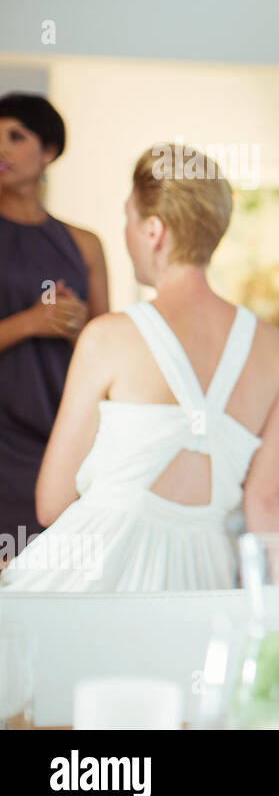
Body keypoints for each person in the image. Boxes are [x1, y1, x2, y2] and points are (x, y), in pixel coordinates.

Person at [0, 143, 279, 591]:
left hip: (97, 580)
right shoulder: (272, 349)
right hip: (204, 581)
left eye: (129, 217)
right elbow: (269, 499)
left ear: (153, 229)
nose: (127, 231)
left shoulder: (109, 336)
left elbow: (51, 503)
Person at [0, 93, 109, 554]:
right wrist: (30, 322)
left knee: (53, 580)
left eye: (15, 137)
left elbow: (109, 350)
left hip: (63, 435)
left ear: (48, 152)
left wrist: (80, 325)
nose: (0, 148)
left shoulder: (84, 245)